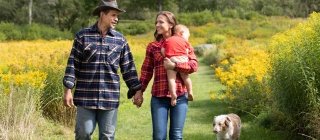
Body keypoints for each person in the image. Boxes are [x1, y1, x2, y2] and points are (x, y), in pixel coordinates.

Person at [62, 0, 142, 139]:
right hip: (86, 96)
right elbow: (73, 65)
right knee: (83, 133)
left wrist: (137, 91)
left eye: (117, 16)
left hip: (109, 98)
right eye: (113, 15)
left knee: (107, 136)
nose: (116, 19)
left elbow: (129, 68)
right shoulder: (83, 36)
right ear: (102, 14)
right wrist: (68, 90)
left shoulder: (120, 40)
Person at [136, 11, 198, 140]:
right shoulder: (153, 46)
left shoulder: (184, 43)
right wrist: (139, 91)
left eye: (161, 22)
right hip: (159, 96)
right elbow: (146, 71)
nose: (157, 25)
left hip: (180, 95)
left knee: (176, 135)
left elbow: (193, 66)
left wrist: (175, 67)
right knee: (159, 137)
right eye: (156, 22)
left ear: (171, 24)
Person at [161, 24, 194, 106]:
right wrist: (183, 57)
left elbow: (162, 50)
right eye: (187, 36)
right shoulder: (185, 41)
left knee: (171, 79)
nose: (187, 38)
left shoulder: (168, 40)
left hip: (171, 59)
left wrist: (165, 56)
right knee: (186, 78)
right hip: (182, 59)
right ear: (182, 33)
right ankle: (190, 91)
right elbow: (187, 51)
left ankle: (173, 96)